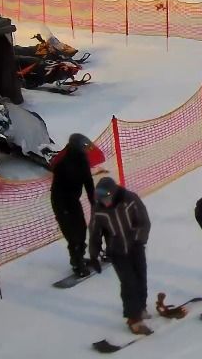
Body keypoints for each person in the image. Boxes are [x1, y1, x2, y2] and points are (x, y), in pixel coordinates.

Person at [88, 177, 152, 335]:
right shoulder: (98, 209)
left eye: (107, 198)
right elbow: (95, 233)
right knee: (128, 282)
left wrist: (137, 239)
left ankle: (141, 307)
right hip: (116, 251)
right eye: (102, 199)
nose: (106, 202)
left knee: (140, 278)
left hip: (135, 247)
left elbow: (144, 221)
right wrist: (94, 255)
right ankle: (133, 318)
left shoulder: (129, 200)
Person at [51, 133, 96, 276]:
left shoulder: (83, 161)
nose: (86, 150)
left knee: (81, 229)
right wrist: (62, 211)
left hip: (73, 201)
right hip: (61, 202)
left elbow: (89, 184)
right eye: (84, 147)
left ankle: (79, 257)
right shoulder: (63, 164)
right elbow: (57, 190)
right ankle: (76, 262)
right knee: (72, 234)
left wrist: (94, 203)